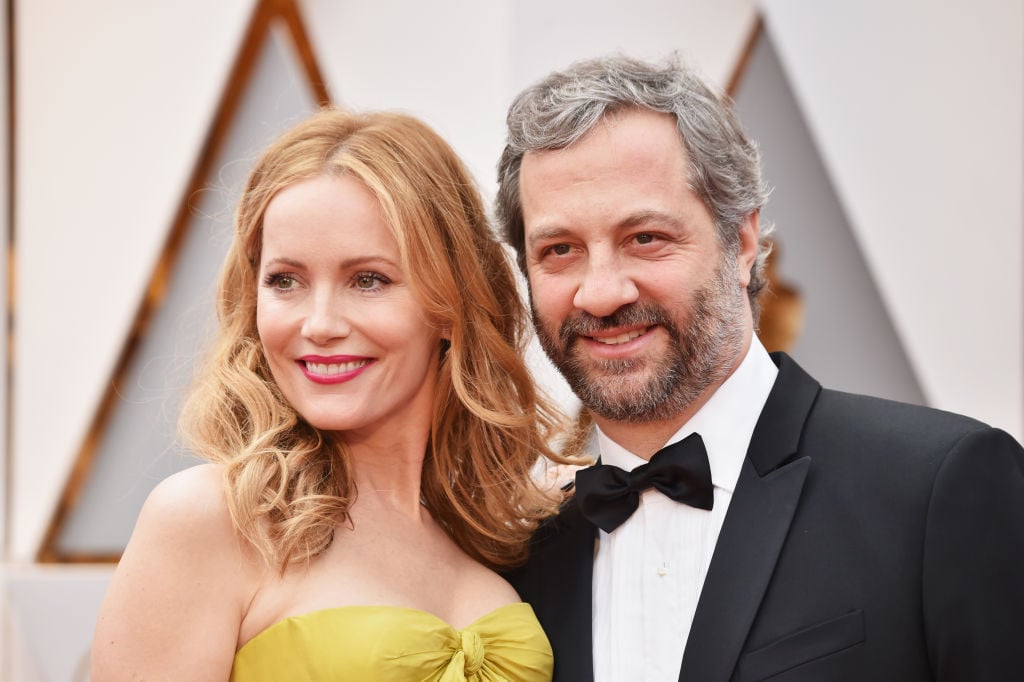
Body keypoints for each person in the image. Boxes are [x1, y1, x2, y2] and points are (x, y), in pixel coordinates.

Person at [496, 54, 1024, 682]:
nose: (601, 293)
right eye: (560, 251)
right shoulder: (519, 558)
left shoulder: (937, 485)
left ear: (741, 242)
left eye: (645, 238)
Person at [91, 108, 575, 681]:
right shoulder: (214, 519)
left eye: (368, 279)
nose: (319, 323)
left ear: (450, 304)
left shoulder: (498, 539)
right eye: (285, 280)